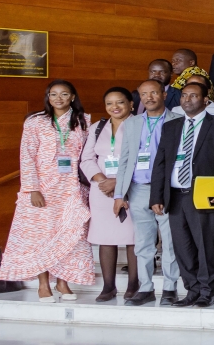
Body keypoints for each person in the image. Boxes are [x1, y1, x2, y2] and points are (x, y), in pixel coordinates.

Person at [0, 81, 95, 301]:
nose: (58, 98)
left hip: (71, 188)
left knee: (71, 234)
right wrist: (32, 188)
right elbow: (27, 156)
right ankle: (43, 285)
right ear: (47, 97)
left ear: (72, 97)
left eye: (64, 94)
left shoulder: (84, 122)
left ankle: (63, 282)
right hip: (43, 188)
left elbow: (88, 156)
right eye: (53, 94)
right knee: (40, 236)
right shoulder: (36, 122)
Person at [148, 81, 214, 307]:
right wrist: (156, 196)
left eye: (194, 96)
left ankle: (207, 291)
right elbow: (161, 164)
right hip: (176, 196)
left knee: (207, 245)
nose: (187, 100)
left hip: (205, 196)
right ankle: (192, 290)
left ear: (206, 100)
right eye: (184, 96)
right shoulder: (171, 127)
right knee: (183, 247)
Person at [116, 79, 181, 305]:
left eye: (154, 93)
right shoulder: (132, 123)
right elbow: (125, 159)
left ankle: (171, 287)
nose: (149, 98)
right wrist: (119, 194)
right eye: (144, 94)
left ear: (164, 94)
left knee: (170, 241)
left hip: (166, 189)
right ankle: (146, 287)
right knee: (143, 242)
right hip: (138, 188)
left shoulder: (178, 120)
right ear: (139, 98)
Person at [78, 87, 139, 302]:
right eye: (109, 103)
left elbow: (144, 158)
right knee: (106, 238)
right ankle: (108, 286)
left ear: (131, 104)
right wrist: (101, 180)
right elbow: (86, 159)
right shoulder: (98, 127)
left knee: (133, 238)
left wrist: (119, 182)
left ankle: (133, 285)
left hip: (132, 187)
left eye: (120, 102)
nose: (115, 107)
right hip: (101, 190)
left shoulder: (140, 125)